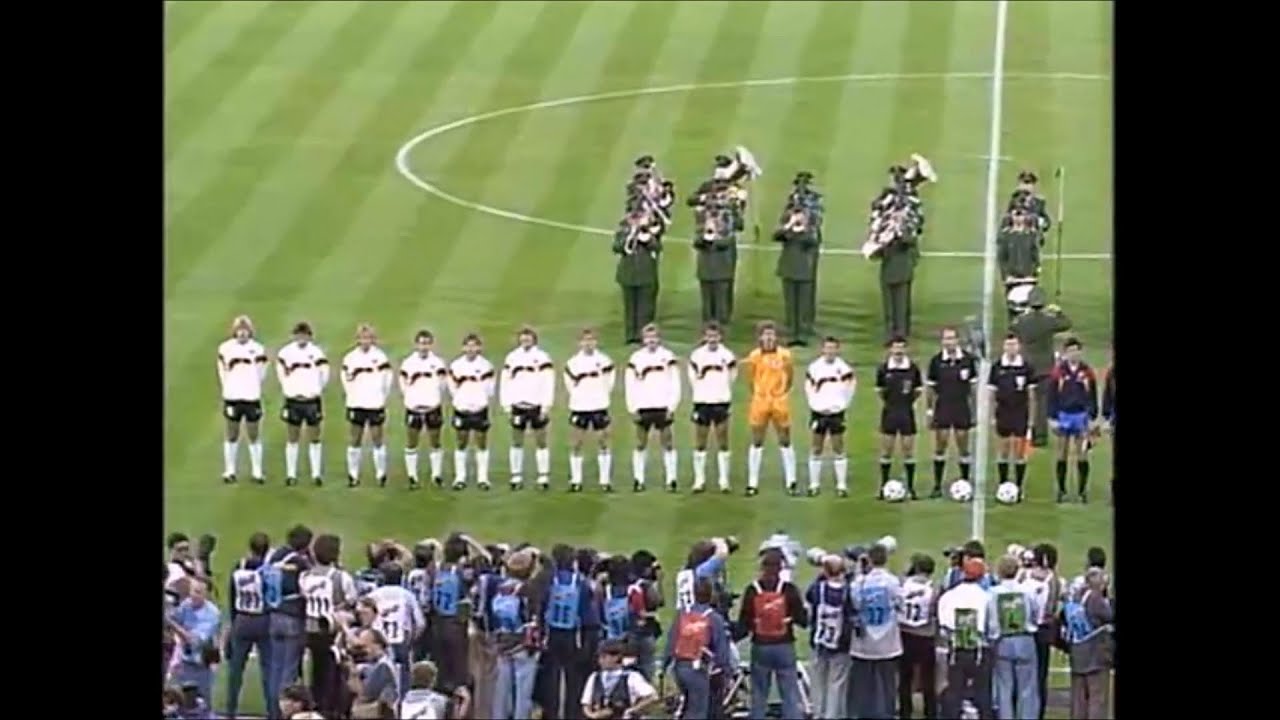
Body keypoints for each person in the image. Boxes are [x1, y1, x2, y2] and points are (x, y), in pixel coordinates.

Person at [736, 549, 808, 720]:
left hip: (761, 645)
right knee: (790, 693)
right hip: (784, 645)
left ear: (762, 567)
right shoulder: (788, 590)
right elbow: (803, 620)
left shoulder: (752, 590)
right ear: (781, 568)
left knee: (759, 694)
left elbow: (744, 623)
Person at [301, 534, 357, 717]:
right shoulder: (341, 578)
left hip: (310, 630)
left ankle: (317, 706)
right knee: (332, 673)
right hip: (333, 632)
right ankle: (328, 709)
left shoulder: (305, 576)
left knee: (317, 671)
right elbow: (352, 600)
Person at [937, 557, 998, 719]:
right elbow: (992, 628)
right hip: (980, 650)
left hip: (956, 649)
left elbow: (943, 626)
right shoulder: (986, 598)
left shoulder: (949, 596)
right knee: (982, 692)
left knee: (954, 691)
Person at [1010, 288, 1072, 446]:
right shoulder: (1048, 320)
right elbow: (1066, 324)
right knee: (1042, 402)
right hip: (1045, 367)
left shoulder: (1023, 320)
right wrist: (1058, 312)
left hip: (1026, 366)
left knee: (1023, 401)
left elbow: (1013, 328)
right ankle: (1041, 436)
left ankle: (1022, 431)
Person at [264, 525, 314, 719]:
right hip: (293, 617)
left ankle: (273, 711)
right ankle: (286, 712)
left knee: (275, 668)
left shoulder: (275, 556)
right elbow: (310, 586)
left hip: (274, 615)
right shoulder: (301, 562)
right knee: (289, 670)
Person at [663, 577, 731, 720]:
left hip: (680, 667)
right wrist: (726, 672)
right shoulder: (714, 618)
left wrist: (665, 666)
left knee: (688, 706)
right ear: (711, 594)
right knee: (698, 710)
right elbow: (722, 651)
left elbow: (671, 642)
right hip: (698, 669)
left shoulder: (682, 614)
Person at [624, 323, 681, 492]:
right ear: (643, 339)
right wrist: (632, 407)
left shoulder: (668, 357)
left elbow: (675, 382)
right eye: (648, 337)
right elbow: (630, 384)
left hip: (663, 405)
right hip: (643, 406)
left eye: (654, 337)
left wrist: (672, 406)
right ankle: (638, 479)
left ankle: (671, 479)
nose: (651, 341)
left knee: (668, 443)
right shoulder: (636, 359)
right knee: (640, 443)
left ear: (659, 338)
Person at [848, 543, 902, 720]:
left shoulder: (859, 583)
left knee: (864, 683)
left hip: (864, 642)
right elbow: (900, 604)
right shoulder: (893, 581)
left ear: (869, 560)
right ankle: (887, 713)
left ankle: (865, 714)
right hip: (888, 640)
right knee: (888, 683)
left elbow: (855, 604)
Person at [744, 322, 797, 496]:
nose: (768, 338)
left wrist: (780, 393)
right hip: (760, 401)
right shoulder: (754, 356)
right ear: (760, 337)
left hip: (779, 401)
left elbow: (790, 378)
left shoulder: (785, 356)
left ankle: (791, 480)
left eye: (771, 334)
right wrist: (760, 394)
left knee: (785, 439)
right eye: (765, 334)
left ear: (776, 337)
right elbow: (750, 379)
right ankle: (753, 482)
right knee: (757, 440)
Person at [540, 544, 593, 720]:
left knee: (551, 678)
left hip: (551, 634)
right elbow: (586, 614)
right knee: (574, 679)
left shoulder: (548, 580)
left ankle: (551, 714)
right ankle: (573, 715)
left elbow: (541, 607)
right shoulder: (581, 583)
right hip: (573, 636)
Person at [499, 327, 555, 490]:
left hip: (537, 405)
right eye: (523, 339)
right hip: (518, 406)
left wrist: (546, 405)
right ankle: (516, 476)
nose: (525, 342)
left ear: (534, 340)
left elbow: (548, 382)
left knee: (541, 441)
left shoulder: (542, 358)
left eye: (528, 339)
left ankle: (543, 476)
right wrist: (507, 406)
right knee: (517, 440)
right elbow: (505, 382)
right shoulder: (512, 358)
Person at [925, 328, 978, 499]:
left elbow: (973, 388)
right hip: (943, 406)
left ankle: (965, 480)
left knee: (963, 443)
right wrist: (929, 410)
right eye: (946, 339)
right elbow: (931, 389)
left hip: (961, 406)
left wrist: (974, 410)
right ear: (942, 342)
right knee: (941, 444)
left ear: (957, 340)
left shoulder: (968, 360)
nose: (949, 342)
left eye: (952, 338)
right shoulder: (936, 361)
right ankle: (937, 484)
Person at [488, 549, 541, 719]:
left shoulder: (499, 586)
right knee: (523, 694)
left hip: (503, 642)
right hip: (523, 645)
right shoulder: (529, 589)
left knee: (502, 692)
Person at [226, 532, 273, 719]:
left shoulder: (240, 566)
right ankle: (272, 711)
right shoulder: (269, 570)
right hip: (263, 619)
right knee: (268, 669)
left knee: (235, 669)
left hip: (242, 619)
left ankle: (230, 711)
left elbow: (232, 594)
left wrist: (233, 620)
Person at [276, 321, 329, 486]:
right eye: (298, 335)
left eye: (304, 335)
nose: (301, 338)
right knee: (293, 437)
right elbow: (281, 374)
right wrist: (289, 390)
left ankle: (316, 474)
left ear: (309, 336)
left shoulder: (317, 353)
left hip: (312, 400)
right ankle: (291, 474)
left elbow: (324, 374)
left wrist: (316, 390)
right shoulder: (285, 353)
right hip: (293, 400)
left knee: (314, 437)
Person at [217, 314, 269, 483]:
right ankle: (230, 470)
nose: (242, 333)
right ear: (234, 331)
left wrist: (253, 387)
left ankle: (257, 471)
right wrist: (229, 389)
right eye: (239, 330)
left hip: (251, 396)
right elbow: (222, 372)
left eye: (245, 330)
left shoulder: (258, 349)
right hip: (232, 397)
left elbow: (262, 372)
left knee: (253, 434)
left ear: (250, 332)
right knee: (232, 433)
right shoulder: (225, 349)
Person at [340, 323, 393, 487]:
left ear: (373, 339)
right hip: (357, 404)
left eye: (368, 338)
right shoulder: (350, 358)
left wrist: (381, 398)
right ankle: (353, 475)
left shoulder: (381, 357)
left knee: (377, 439)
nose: (365, 341)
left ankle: (381, 474)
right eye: (362, 338)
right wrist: (353, 397)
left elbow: (387, 380)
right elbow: (345, 380)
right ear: (357, 340)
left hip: (375, 404)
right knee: (355, 439)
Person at [1047, 338, 1099, 503]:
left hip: (1081, 416)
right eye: (1070, 351)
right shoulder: (1058, 372)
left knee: (1081, 454)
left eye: (1076, 350)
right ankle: (1061, 490)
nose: (1073, 354)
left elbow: (1092, 396)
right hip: (1063, 415)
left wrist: (1092, 417)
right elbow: (1052, 396)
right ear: (1065, 353)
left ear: (1080, 352)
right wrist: (1052, 418)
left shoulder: (1087, 372)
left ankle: (1082, 491)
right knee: (1062, 453)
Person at [564, 328, 617, 491]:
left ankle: (605, 481)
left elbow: (610, 382)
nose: (588, 343)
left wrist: (600, 396)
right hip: (579, 407)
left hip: (599, 406)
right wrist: (581, 397)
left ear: (596, 342)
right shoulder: (572, 363)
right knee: (577, 443)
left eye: (591, 340)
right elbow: (569, 385)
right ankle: (576, 480)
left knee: (603, 442)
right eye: (585, 340)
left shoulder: (605, 360)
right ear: (580, 343)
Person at [989, 555, 1042, 720]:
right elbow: (1036, 613)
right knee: (1028, 688)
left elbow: (991, 620)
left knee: (1004, 688)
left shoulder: (993, 593)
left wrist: (993, 637)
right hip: (1025, 639)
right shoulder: (1027, 591)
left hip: (1003, 641)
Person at [687, 322, 737, 492]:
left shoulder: (727, 356)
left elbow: (732, 377)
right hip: (702, 402)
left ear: (720, 337)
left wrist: (722, 394)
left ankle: (724, 481)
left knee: (723, 441)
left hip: (721, 402)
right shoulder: (697, 356)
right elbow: (692, 379)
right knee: (701, 442)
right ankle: (699, 480)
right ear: (704, 337)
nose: (712, 339)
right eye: (709, 336)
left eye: (715, 336)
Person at [804, 337, 855, 497]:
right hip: (819, 413)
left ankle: (841, 485)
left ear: (837, 350)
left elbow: (850, 389)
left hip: (836, 413)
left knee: (838, 448)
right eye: (828, 348)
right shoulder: (814, 368)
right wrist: (816, 406)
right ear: (823, 349)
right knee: (816, 448)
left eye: (833, 348)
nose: (830, 351)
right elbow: (809, 389)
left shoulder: (844, 368)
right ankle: (814, 485)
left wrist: (841, 405)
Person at [989, 334, 1037, 501]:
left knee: (1019, 451)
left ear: (1019, 347)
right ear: (1004, 347)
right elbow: (992, 394)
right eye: (1008, 345)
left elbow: (1031, 395)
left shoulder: (1026, 367)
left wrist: (1031, 419)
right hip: (1003, 412)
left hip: (1020, 413)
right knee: (1003, 449)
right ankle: (1002, 484)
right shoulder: (997, 367)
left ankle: (1018, 486)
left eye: (1014, 345)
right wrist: (992, 416)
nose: (1011, 348)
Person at [806, 553, 854, 719]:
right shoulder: (848, 591)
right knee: (837, 683)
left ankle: (818, 713)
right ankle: (832, 716)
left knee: (818, 682)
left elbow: (808, 596)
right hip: (841, 643)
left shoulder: (817, 589)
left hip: (819, 640)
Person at [399, 330, 449, 489]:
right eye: (421, 343)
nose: (424, 347)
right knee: (412, 442)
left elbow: (442, 385)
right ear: (416, 344)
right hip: (413, 408)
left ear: (431, 344)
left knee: (435, 441)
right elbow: (403, 385)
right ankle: (412, 476)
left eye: (427, 343)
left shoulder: (438, 363)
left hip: (432, 407)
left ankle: (436, 475)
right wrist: (412, 400)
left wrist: (433, 399)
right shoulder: (408, 363)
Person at [876, 337, 923, 499]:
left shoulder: (912, 369)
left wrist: (906, 402)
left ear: (905, 349)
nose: (898, 351)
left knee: (908, 450)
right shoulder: (883, 369)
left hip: (906, 413)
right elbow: (880, 392)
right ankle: (883, 486)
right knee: (886, 451)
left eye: (901, 348)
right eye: (895, 348)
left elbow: (917, 391)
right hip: (889, 412)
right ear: (890, 349)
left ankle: (910, 487)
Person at [447, 333, 496, 490]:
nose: (471, 349)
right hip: (462, 408)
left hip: (480, 409)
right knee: (461, 442)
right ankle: (460, 477)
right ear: (463, 347)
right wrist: (461, 401)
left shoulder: (486, 366)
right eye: (468, 346)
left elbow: (490, 388)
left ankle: (483, 478)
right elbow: (452, 388)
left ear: (479, 348)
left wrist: (480, 400)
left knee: (481, 443)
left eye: (474, 346)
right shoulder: (456, 366)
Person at [1063, 568, 1113, 719]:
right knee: (1097, 699)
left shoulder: (1076, 597)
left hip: (1077, 653)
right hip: (1095, 656)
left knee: (1078, 701)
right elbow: (1109, 616)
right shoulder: (1096, 599)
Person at [430, 535, 478, 692]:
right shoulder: (462, 571)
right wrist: (471, 542)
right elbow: (486, 561)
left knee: (441, 670)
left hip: (437, 623)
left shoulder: (435, 569)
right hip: (455, 624)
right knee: (458, 672)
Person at [1021, 544, 1062, 720]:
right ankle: (1038, 714)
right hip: (1043, 632)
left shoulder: (1024, 575)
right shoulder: (1053, 580)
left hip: (1024, 630)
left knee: (1023, 673)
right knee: (1040, 674)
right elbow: (1051, 609)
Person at [898, 554, 939, 720]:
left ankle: (905, 712)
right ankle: (930, 712)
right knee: (928, 678)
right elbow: (934, 613)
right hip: (925, 636)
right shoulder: (934, 588)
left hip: (906, 635)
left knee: (905, 677)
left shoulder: (902, 584)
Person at [170, 579, 223, 707]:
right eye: (192, 591)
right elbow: (175, 617)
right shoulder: (186, 605)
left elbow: (195, 640)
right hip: (185, 662)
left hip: (202, 666)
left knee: (201, 705)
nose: (194, 595)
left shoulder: (212, 614)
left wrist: (169, 622)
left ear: (206, 594)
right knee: (181, 703)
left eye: (198, 592)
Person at [871, 207, 920, 340]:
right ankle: (889, 333)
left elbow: (910, 240)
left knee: (901, 305)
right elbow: (877, 251)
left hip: (903, 269)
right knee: (889, 306)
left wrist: (898, 232)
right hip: (888, 269)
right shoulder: (884, 229)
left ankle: (901, 333)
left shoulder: (909, 225)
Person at [614, 209, 662, 344]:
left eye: (638, 218)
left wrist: (646, 238)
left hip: (646, 274)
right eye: (633, 218)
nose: (636, 221)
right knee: (630, 307)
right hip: (628, 275)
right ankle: (630, 335)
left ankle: (644, 336)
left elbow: (657, 247)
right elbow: (616, 247)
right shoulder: (622, 232)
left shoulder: (650, 232)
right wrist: (629, 236)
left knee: (645, 308)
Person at [774, 203, 820, 346]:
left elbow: (811, 242)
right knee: (791, 305)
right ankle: (792, 334)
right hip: (788, 270)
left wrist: (802, 228)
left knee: (803, 306)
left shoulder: (810, 231)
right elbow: (776, 236)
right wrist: (789, 225)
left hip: (804, 272)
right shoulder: (787, 231)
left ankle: (803, 334)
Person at [581, 640, 661, 720]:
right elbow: (586, 703)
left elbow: (652, 696)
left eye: (604, 657)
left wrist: (632, 710)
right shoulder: (594, 677)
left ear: (616, 657)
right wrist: (593, 715)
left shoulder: (631, 677)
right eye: (600, 657)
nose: (600, 661)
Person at [693, 199, 738, 326]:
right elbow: (697, 243)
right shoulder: (702, 230)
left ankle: (720, 331)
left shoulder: (727, 231)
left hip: (722, 273)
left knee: (721, 307)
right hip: (705, 273)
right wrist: (706, 233)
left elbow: (725, 243)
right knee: (707, 307)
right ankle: (707, 330)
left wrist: (716, 235)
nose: (714, 215)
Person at [997, 210, 1042, 324]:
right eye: (1015, 215)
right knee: (1012, 309)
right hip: (1012, 278)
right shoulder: (1006, 235)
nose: (1018, 218)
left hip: (1028, 278)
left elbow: (1035, 257)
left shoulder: (1031, 235)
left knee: (1029, 309)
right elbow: (1002, 258)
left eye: (1020, 215)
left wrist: (1034, 274)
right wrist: (1006, 276)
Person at [350, 629, 400, 719]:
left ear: (377, 645)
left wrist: (354, 674)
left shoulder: (384, 666)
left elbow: (366, 693)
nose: (363, 652)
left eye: (364, 646)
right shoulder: (373, 666)